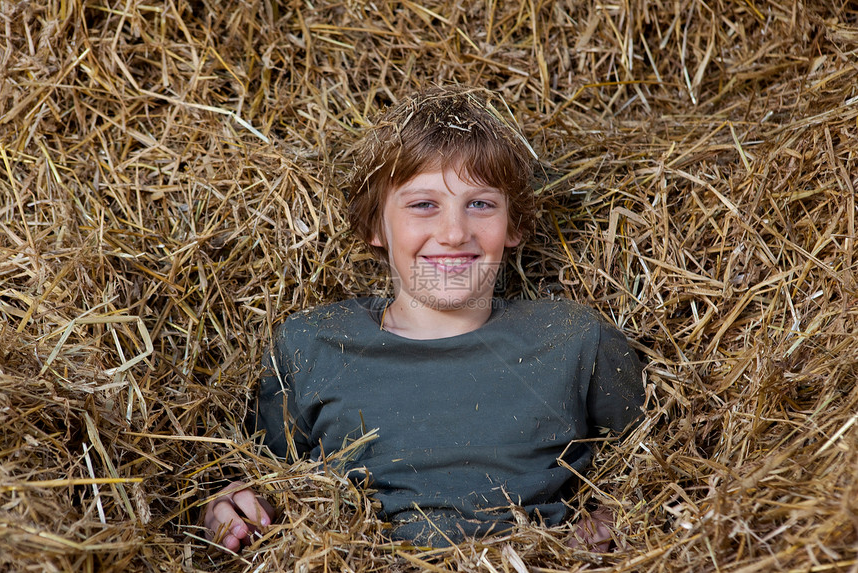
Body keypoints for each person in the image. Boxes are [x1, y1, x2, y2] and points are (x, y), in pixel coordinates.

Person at [203, 85, 645, 552]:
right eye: (422, 204)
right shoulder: (311, 344)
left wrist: (614, 516)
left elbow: (657, 464)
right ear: (375, 224)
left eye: (480, 203)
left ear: (513, 225)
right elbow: (257, 481)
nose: (454, 232)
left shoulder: (573, 340)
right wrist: (226, 506)